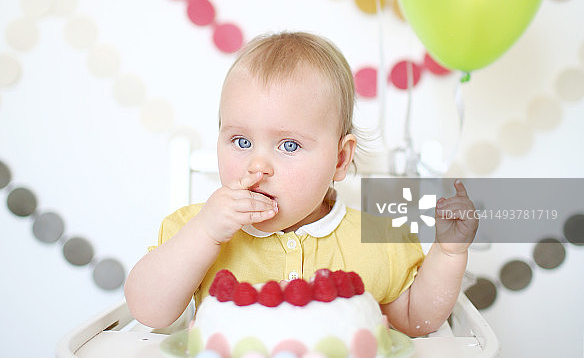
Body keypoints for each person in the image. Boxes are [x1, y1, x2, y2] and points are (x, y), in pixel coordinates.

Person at [125, 31, 477, 337]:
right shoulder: (194, 230)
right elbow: (148, 312)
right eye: (241, 142)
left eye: (289, 145)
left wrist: (449, 253)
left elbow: (418, 321)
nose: (257, 165)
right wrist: (205, 232)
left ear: (339, 159)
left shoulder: (374, 240)